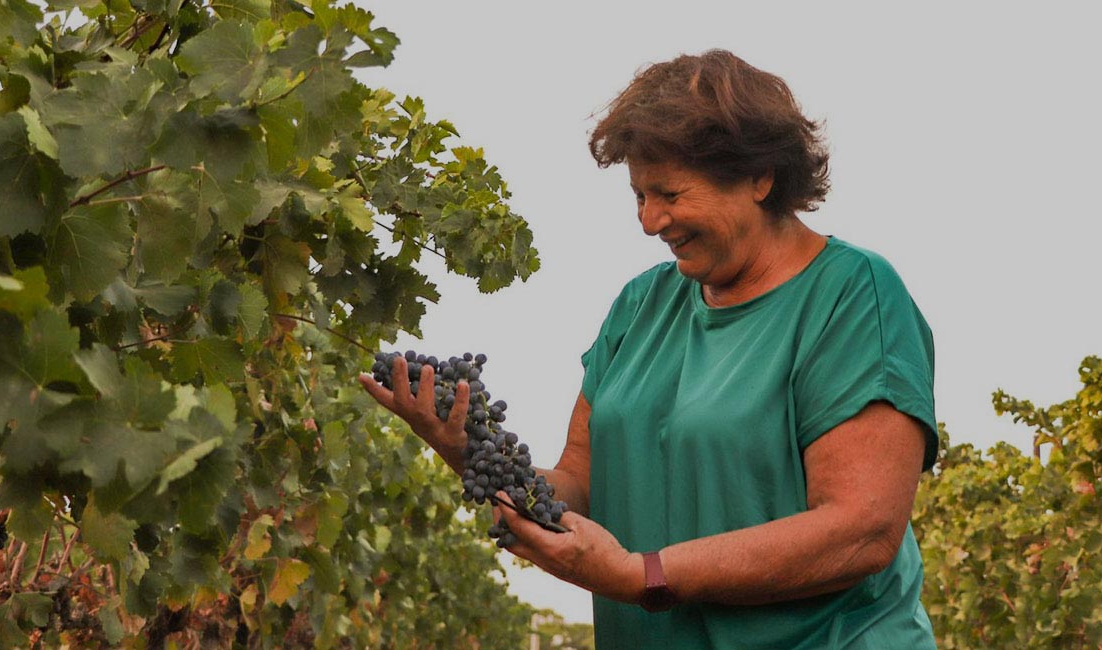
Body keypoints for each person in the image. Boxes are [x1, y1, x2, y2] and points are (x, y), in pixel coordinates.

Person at [362, 49, 940, 649]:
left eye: (669, 193)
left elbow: (860, 531)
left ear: (760, 177)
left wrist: (645, 577)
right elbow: (579, 488)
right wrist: (466, 450)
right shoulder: (641, 305)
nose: (649, 220)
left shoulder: (852, 296)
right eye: (639, 195)